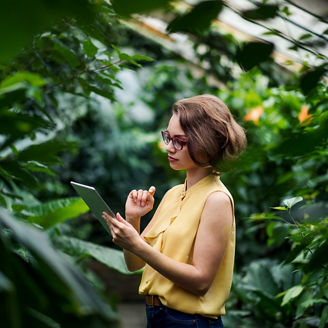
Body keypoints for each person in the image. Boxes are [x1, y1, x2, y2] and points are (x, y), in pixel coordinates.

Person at [103, 94, 246, 328]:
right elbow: (134, 263)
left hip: (189, 321)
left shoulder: (216, 199)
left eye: (179, 141)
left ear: (205, 142)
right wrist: (133, 218)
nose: (169, 147)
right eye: (168, 137)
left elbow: (201, 281)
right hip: (157, 316)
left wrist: (137, 244)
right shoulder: (174, 193)